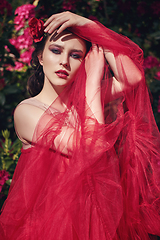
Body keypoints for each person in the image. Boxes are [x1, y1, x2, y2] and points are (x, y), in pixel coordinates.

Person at [0, 11, 160, 240]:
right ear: (40, 57)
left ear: (84, 62)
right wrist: (94, 80)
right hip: (51, 227)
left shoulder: (84, 100)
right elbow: (91, 148)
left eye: (75, 55)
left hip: (96, 219)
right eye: (56, 51)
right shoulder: (27, 111)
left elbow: (132, 78)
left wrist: (91, 27)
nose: (64, 61)